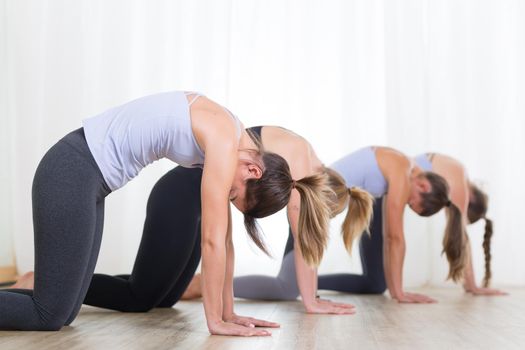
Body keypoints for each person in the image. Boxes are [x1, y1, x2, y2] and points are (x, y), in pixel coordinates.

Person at [1, 92, 332, 336]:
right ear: (253, 170)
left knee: (65, 309)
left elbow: (226, 242)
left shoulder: (235, 138)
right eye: (234, 195)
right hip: (72, 169)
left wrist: (230, 312)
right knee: (48, 314)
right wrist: (214, 322)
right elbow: (212, 242)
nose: (226, 197)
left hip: (90, 182)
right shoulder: (223, 138)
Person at [14, 126, 371, 315]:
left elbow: (287, 238)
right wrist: (311, 302)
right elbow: (303, 237)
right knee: (140, 297)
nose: (313, 219)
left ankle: (60, 281)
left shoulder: (305, 157)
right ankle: (42, 281)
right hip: (179, 198)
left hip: (197, 207)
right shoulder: (298, 162)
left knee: (163, 297)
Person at [221, 146, 461, 304]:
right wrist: (399, 293)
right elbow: (394, 237)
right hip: (306, 207)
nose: (406, 202)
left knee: (376, 284)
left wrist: (393, 289)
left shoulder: (399, 166)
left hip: (313, 208)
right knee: (286, 288)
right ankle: (208, 284)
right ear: (423, 186)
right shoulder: (402, 168)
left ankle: (314, 284)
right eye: (412, 202)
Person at [414, 152, 506, 295]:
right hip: (384, 188)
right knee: (375, 283)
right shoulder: (458, 178)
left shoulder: (455, 171)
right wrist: (473, 286)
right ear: (471, 199)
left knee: (376, 283)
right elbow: (461, 237)